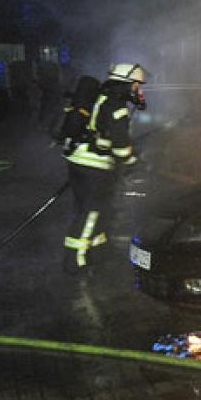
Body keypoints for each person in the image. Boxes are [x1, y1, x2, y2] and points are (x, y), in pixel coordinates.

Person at [63, 63, 148, 274]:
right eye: (136, 85)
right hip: (94, 166)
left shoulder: (103, 97)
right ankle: (75, 260)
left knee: (97, 210)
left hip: (80, 160)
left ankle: (98, 252)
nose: (138, 90)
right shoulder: (116, 106)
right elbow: (120, 147)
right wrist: (134, 163)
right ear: (126, 83)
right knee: (91, 212)